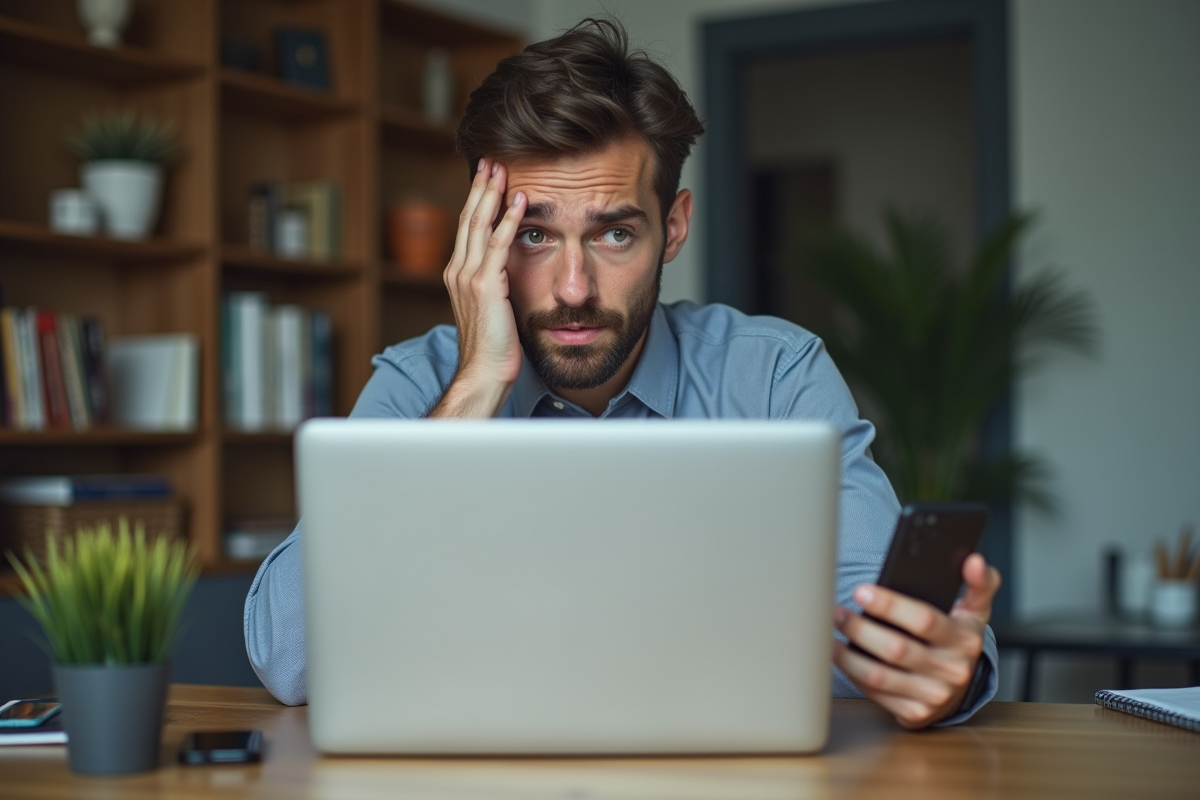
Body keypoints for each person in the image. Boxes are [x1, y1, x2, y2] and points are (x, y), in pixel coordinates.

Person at [244, 18, 1000, 728]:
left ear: (672, 228)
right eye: (533, 233)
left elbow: (872, 624)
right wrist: (475, 389)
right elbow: (289, 658)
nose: (573, 287)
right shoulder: (425, 387)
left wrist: (936, 668)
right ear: (481, 241)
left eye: (613, 233)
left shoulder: (774, 376)